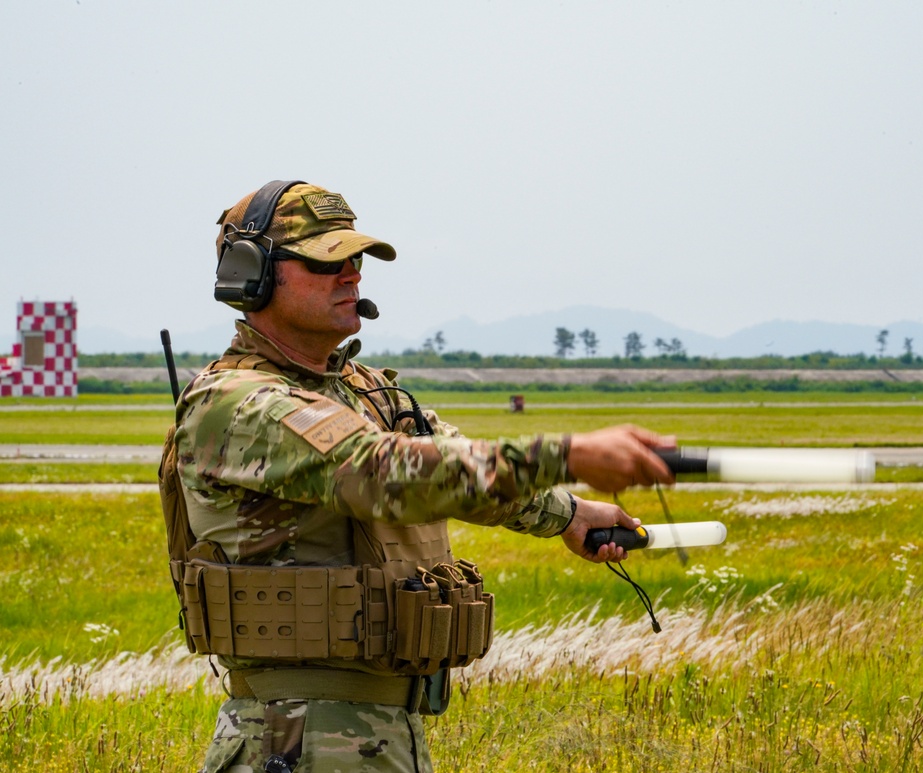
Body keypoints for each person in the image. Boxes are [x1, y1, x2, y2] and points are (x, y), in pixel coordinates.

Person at [160, 180, 675, 773]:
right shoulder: (237, 403)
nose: (351, 275)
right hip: (294, 740)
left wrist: (570, 513)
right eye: (326, 260)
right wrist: (566, 454)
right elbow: (382, 473)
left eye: (354, 260)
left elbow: (457, 465)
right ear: (252, 273)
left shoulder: (368, 392)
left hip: (388, 735)